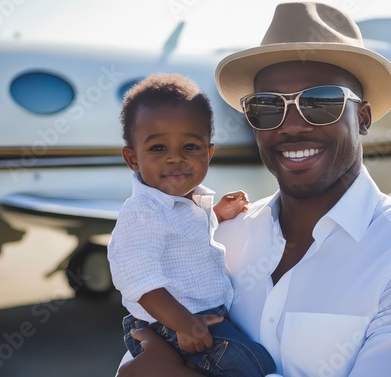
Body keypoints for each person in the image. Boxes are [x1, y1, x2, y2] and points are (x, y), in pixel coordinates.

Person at [116, 2, 391, 377]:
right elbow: (143, 349)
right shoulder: (223, 238)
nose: (291, 125)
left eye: (320, 102)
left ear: (362, 117)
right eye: (267, 107)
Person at [107, 72, 276, 377]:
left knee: (254, 362)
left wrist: (217, 215)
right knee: (253, 365)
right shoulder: (142, 212)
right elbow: (139, 281)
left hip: (195, 319)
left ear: (208, 153)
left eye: (190, 147)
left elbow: (184, 241)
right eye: (158, 148)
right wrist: (185, 324)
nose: (175, 158)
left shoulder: (186, 206)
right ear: (132, 159)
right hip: (169, 324)